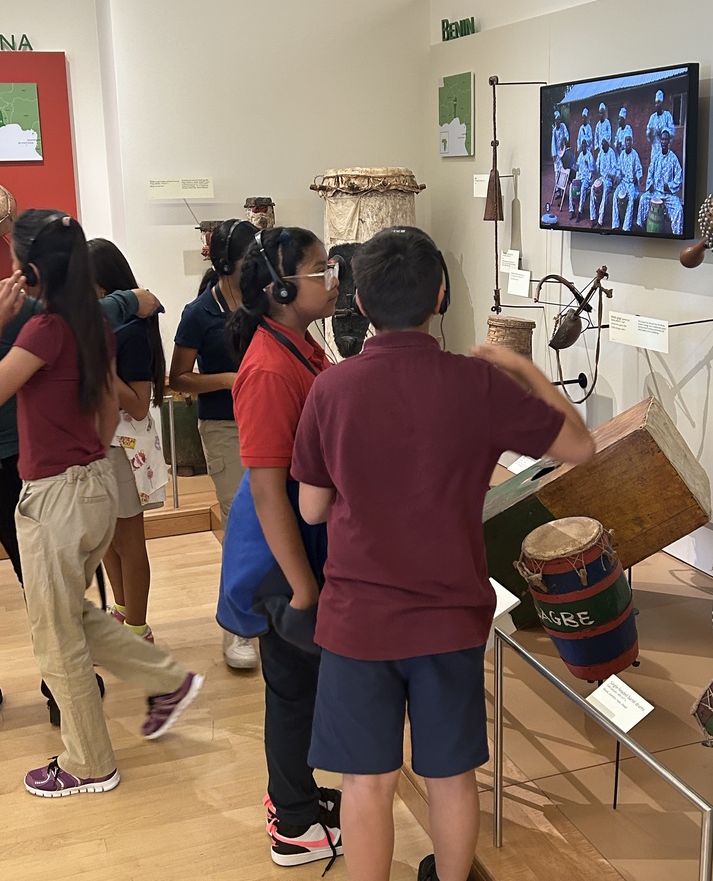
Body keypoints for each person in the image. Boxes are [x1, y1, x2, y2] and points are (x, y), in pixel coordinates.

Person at [290, 226, 595, 881]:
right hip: (450, 616)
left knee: (366, 782)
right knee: (453, 774)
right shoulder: (476, 385)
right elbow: (579, 446)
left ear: (361, 302)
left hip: (359, 618)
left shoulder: (332, 390)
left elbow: (312, 508)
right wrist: (525, 367)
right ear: (441, 295)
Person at [0, 209, 203, 795]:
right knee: (68, 616)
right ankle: (168, 679)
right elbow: (107, 409)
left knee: (56, 639)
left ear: (29, 271)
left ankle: (88, 763)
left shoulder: (42, 331)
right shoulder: (89, 324)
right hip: (95, 482)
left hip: (56, 495)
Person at [216, 226, 343, 869]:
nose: (332, 276)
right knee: (291, 689)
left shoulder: (299, 344)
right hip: (279, 555)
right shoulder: (267, 369)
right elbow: (269, 490)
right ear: (283, 287)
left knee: (303, 687)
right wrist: (302, 587)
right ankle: (291, 821)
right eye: (321, 267)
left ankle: (302, 797)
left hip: (301, 540)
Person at [0, 278, 160, 724]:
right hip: (12, 468)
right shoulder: (5, 311)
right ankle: (70, 692)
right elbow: (67, 325)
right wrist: (130, 300)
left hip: (25, 467)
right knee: (49, 584)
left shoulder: (10, 310)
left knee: (48, 582)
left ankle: (68, 691)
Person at [171, 218, 259, 670]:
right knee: (240, 523)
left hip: (272, 423)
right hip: (225, 426)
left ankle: (277, 614)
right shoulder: (199, 313)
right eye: (248, 260)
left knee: (280, 517)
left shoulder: (266, 303)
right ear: (228, 263)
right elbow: (178, 378)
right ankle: (238, 627)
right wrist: (227, 379)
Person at [88, 239, 167, 644]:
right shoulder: (99, 325)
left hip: (125, 448)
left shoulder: (133, 331)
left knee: (129, 542)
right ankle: (120, 612)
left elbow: (137, 406)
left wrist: (98, 366)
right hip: (98, 446)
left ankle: (138, 627)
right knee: (107, 541)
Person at [638, 129, 684, 233]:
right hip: (655, 192)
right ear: (660, 141)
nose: (663, 142)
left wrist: (669, 185)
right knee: (643, 199)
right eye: (662, 139)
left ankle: (676, 235)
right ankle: (642, 228)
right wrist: (650, 184)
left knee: (679, 209)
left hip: (668, 195)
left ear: (669, 141)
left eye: (666, 140)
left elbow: (679, 177)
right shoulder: (656, 157)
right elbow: (650, 172)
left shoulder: (673, 158)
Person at [612, 133, 643, 231]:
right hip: (623, 182)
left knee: (630, 200)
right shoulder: (622, 155)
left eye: (630, 140)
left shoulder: (635, 154)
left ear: (632, 142)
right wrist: (617, 177)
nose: (628, 142)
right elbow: (619, 169)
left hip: (631, 184)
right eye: (627, 140)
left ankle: (626, 227)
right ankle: (615, 224)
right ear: (625, 143)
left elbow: (639, 169)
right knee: (615, 195)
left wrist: (637, 177)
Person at [592, 136, 618, 227]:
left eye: (603, 144)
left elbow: (615, 168)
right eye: (601, 144)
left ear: (607, 144)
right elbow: (597, 167)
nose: (602, 146)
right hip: (602, 178)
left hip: (608, 180)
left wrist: (610, 174)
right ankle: (593, 217)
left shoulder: (611, 153)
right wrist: (595, 170)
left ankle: (600, 220)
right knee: (593, 189)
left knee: (604, 193)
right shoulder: (601, 153)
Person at [570, 138, 594, 221]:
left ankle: (579, 212)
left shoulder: (589, 155)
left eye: (584, 146)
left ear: (586, 147)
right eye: (582, 145)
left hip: (586, 179)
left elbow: (592, 169)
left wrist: (588, 164)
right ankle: (572, 211)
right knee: (571, 187)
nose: (583, 147)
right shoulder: (580, 155)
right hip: (579, 177)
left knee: (583, 189)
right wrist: (574, 165)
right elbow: (577, 167)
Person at [645, 89, 676, 153]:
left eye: (658, 102)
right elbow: (648, 133)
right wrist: (650, 132)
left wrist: (664, 131)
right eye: (656, 103)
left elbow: (673, 132)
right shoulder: (652, 117)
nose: (657, 105)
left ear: (662, 103)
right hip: (654, 149)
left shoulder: (667, 116)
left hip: (664, 149)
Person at [550, 111, 569, 190]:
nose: (558, 121)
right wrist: (554, 155)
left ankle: (562, 189)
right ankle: (557, 190)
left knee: (562, 171)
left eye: (559, 119)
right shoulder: (554, 130)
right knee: (556, 171)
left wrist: (564, 139)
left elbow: (567, 135)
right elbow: (553, 144)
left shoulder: (563, 126)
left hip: (563, 151)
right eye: (557, 120)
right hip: (557, 154)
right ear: (555, 120)